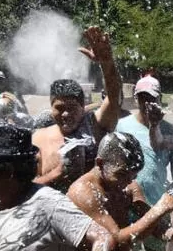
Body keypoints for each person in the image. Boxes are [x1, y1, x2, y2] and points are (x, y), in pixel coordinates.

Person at [115, 76, 173, 251]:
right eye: (142, 98)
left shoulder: (170, 130)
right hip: (129, 204)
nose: (147, 104)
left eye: (151, 98)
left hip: (157, 204)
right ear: (136, 99)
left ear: (159, 99)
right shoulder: (123, 127)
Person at [32, 27, 122, 192]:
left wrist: (107, 63)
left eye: (72, 108)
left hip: (93, 211)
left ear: (83, 107)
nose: (66, 114)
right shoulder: (38, 137)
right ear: (51, 108)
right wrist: (56, 174)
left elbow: (114, 97)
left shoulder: (95, 125)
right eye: (59, 108)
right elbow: (25, 187)